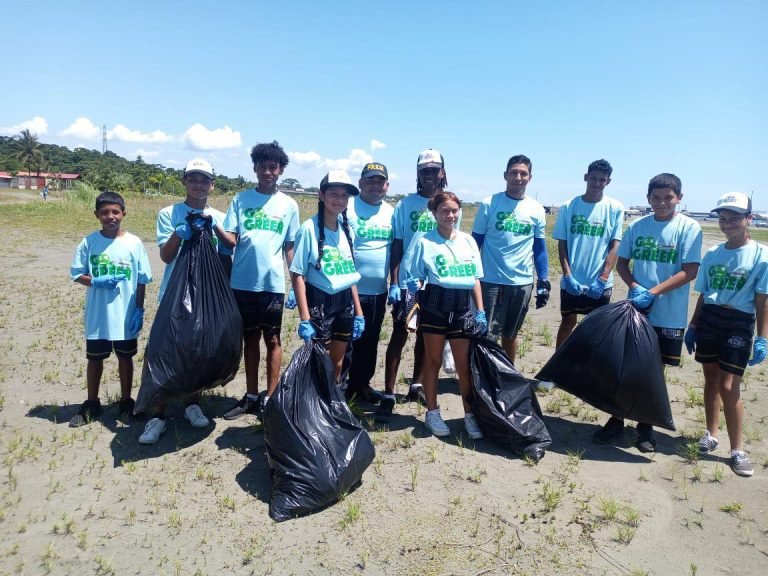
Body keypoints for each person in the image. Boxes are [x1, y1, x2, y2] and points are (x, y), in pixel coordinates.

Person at [593, 173, 702, 451]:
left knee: (654, 371)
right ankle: (616, 419)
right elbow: (622, 263)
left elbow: (689, 271)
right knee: (626, 365)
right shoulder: (638, 227)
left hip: (668, 313)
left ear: (679, 197)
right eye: (656, 198)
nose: (662, 202)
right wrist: (634, 286)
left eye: (668, 197)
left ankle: (645, 427)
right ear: (648, 198)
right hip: (636, 310)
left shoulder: (689, 228)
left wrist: (653, 293)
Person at [139, 158, 233, 444]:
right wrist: (180, 234)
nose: (198, 184)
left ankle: (192, 403)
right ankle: (157, 415)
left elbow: (229, 249)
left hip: (206, 294)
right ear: (184, 181)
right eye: (193, 178)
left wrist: (214, 227)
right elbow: (166, 257)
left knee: (199, 349)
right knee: (166, 350)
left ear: (212, 184)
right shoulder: (170, 213)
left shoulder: (219, 214)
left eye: (204, 179)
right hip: (175, 293)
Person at [686, 192, 767, 477]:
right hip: (710, 317)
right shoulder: (713, 254)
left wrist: (762, 337)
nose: (728, 223)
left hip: (739, 321)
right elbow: (704, 294)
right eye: (723, 218)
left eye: (734, 217)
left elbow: (762, 300)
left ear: (749, 219)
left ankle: (738, 450)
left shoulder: (761, 255)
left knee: (730, 385)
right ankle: (711, 433)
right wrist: (693, 326)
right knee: (710, 377)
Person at [219, 141, 299, 421]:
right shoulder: (240, 200)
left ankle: (271, 398)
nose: (267, 171)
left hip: (273, 285)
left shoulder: (289, 205)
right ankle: (251, 396)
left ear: (280, 170)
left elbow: (290, 246)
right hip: (242, 283)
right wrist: (214, 226)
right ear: (254, 168)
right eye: (262, 166)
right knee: (249, 340)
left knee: (273, 340)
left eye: (273, 167)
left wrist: (294, 281)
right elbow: (231, 239)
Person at [406, 191, 487, 438]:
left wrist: (481, 311)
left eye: (454, 210)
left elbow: (474, 279)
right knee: (433, 362)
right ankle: (432, 412)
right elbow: (415, 276)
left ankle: (470, 414)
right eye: (444, 211)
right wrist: (412, 288)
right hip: (434, 308)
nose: (450, 215)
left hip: (462, 309)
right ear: (434, 213)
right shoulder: (424, 242)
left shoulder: (468, 241)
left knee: (463, 365)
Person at [69, 191, 152, 427]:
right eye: (104, 212)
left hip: (125, 314)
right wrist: (94, 281)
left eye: (115, 212)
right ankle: (92, 402)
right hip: (98, 315)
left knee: (125, 358)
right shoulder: (89, 242)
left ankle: (126, 400)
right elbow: (76, 274)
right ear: (97, 215)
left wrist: (139, 309)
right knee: (95, 359)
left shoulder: (134, 243)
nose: (110, 216)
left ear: (123, 214)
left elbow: (142, 279)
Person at [386, 149, 459, 406]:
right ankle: (388, 391)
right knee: (400, 334)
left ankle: (416, 384)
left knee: (423, 336)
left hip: (435, 284)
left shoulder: (448, 206)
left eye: (434, 169)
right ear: (418, 173)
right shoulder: (405, 205)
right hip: (408, 283)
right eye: (424, 171)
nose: (430, 175)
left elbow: (453, 245)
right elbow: (397, 245)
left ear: (443, 172)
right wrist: (394, 282)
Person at [471, 154, 550, 363]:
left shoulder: (536, 209)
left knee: (510, 334)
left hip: (521, 283)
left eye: (523, 173)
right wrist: (468, 277)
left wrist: (543, 280)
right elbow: (475, 243)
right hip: (491, 281)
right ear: (505, 175)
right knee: (487, 334)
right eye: (514, 172)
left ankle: (508, 375)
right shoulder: (490, 203)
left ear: (530, 178)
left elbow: (540, 249)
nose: (518, 177)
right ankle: (483, 376)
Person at [289, 170, 365, 381]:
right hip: (320, 302)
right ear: (321, 195)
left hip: (345, 303)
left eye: (344, 195)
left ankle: (331, 406)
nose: (339, 200)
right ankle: (312, 408)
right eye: (334, 194)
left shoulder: (348, 230)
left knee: (337, 364)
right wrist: (305, 319)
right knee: (318, 363)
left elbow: (350, 273)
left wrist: (358, 312)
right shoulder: (308, 229)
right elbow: (297, 274)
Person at [552, 159, 624, 348]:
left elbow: (615, 245)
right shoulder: (570, 206)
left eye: (602, 180)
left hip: (599, 282)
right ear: (586, 177)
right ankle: (557, 369)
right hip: (573, 279)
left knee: (596, 328)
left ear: (608, 182)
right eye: (593, 178)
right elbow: (562, 243)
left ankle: (588, 373)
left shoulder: (615, 208)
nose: (597, 183)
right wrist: (567, 275)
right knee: (567, 323)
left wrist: (603, 278)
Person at [343, 162, 394, 415]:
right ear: (361, 183)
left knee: (370, 341)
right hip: (349, 288)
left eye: (380, 181)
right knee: (346, 341)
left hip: (378, 290)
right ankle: (340, 389)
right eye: (370, 180)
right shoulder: (348, 206)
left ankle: (361, 385)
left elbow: (396, 248)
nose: (375, 186)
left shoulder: (391, 212)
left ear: (387, 185)